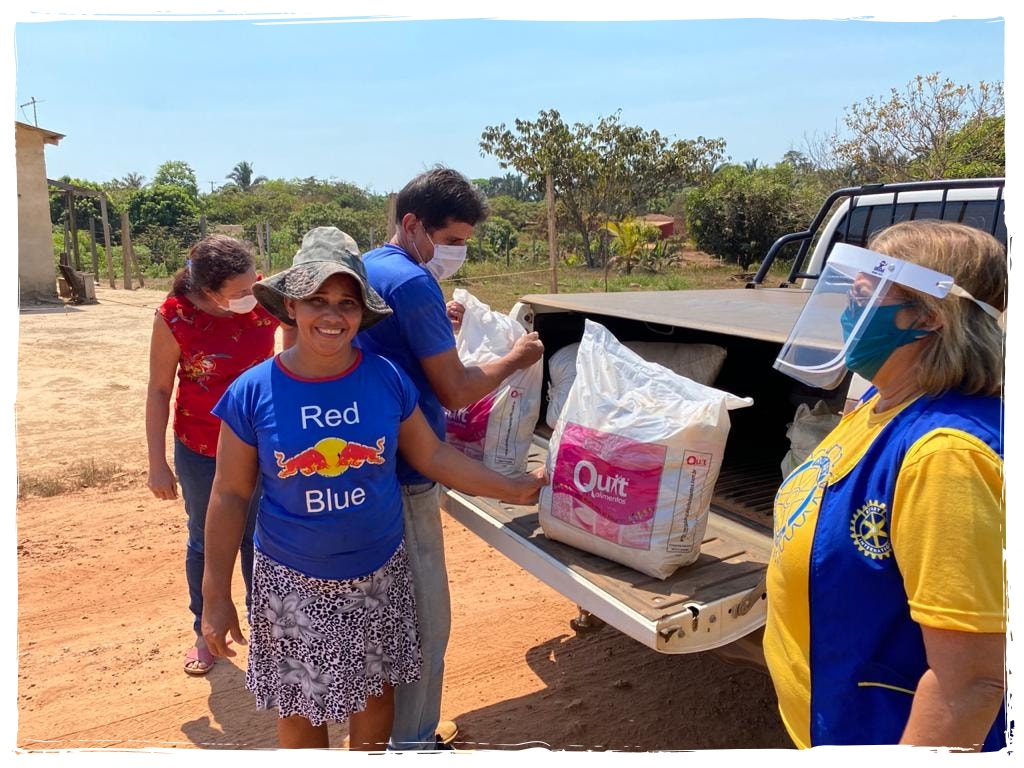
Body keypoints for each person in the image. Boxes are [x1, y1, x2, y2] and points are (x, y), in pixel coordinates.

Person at [200, 227, 546, 750]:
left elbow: (432, 455)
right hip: (293, 584)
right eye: (317, 300)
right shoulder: (252, 392)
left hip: (378, 577)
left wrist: (513, 489)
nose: (332, 315)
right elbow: (228, 495)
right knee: (299, 711)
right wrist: (214, 592)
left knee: (374, 697)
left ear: (362, 312)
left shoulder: (386, 378)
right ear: (291, 305)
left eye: (347, 302)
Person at [765, 219, 1007, 751]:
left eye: (863, 295)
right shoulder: (883, 400)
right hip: (834, 720)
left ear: (927, 317)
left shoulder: (946, 456)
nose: (848, 311)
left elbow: (970, 684)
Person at [358, 167, 545, 751]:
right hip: (410, 472)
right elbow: (458, 390)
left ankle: (382, 732)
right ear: (413, 224)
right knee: (425, 622)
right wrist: (517, 357)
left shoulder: (370, 266)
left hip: (370, 467)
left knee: (386, 614)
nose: (458, 252)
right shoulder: (413, 283)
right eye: (453, 239)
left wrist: (444, 324)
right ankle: (412, 743)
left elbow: (394, 349)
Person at [146, 234, 279, 676]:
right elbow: (160, 389)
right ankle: (206, 631)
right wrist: (157, 462)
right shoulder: (174, 317)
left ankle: (267, 630)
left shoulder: (263, 299)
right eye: (239, 291)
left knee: (259, 539)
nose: (250, 295)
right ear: (207, 291)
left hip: (260, 442)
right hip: (201, 448)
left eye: (252, 284)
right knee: (206, 540)